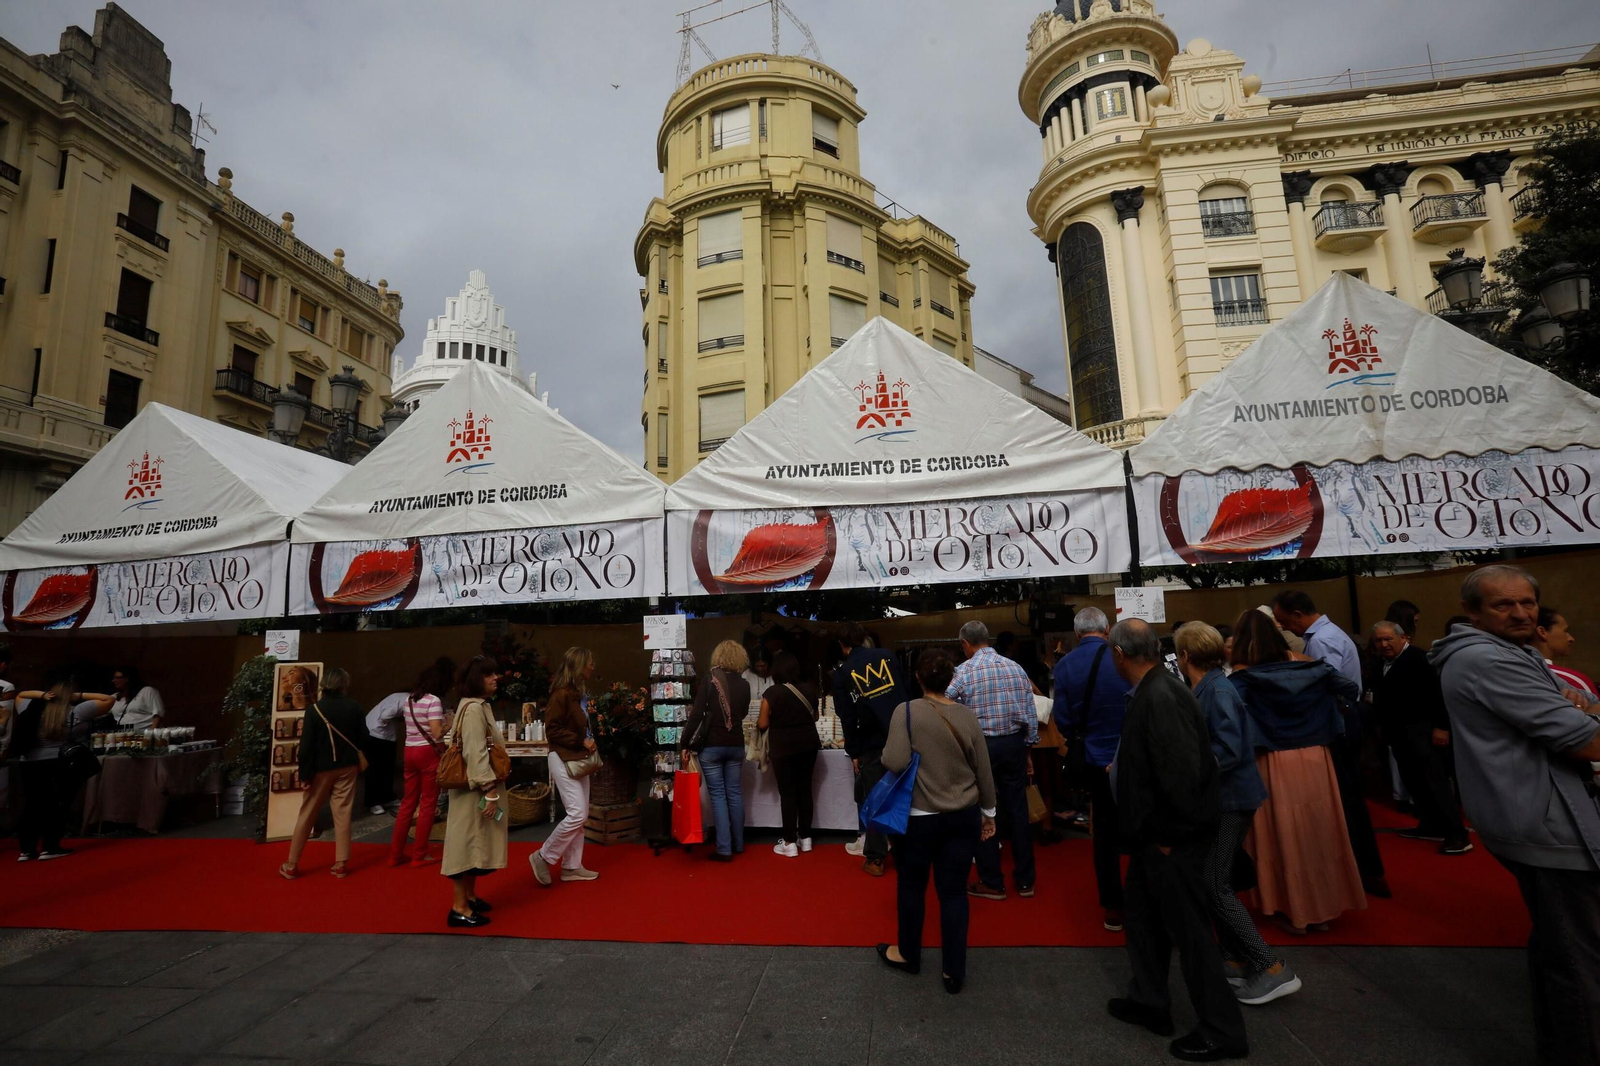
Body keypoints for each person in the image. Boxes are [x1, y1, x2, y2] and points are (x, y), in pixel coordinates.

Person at [1430, 565, 1600, 1066]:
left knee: (1562, 953)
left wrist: (1582, 714)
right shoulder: (1489, 660)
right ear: (1472, 612)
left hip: (1545, 819)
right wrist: (1582, 720)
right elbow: (1585, 738)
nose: (1522, 612)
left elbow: (1582, 710)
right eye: (1504, 605)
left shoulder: (1514, 652)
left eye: (1527, 602)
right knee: (1581, 967)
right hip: (1549, 829)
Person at [1105, 619, 1249, 1062]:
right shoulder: (1157, 689)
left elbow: (1183, 773)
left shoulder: (1160, 696)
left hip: (1171, 839)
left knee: (1191, 936)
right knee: (1143, 920)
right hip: (1155, 836)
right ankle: (1150, 1001)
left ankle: (1223, 1031)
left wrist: (1168, 838)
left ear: (1120, 654)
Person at [1175, 623, 1299, 1007]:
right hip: (1225, 798)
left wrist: (1186, 769)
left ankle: (1271, 967)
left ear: (1185, 656)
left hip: (1230, 799)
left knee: (1215, 884)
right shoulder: (1212, 686)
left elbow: (1227, 751)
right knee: (1215, 880)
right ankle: (1234, 959)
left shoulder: (1218, 690)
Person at [1228, 612, 1366, 933]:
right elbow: (1350, 689)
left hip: (1271, 759)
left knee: (1283, 834)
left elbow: (1229, 716)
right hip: (1317, 756)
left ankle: (1293, 909)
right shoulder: (1309, 663)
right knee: (1319, 831)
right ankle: (1323, 908)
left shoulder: (1242, 676)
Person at [876, 648, 996, 995]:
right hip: (962, 815)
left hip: (918, 818)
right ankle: (953, 971)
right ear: (951, 680)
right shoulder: (967, 716)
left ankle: (909, 954)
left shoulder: (907, 711)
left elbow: (895, 761)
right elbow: (984, 772)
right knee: (955, 892)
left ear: (917, 678)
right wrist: (989, 814)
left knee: (912, 887)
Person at [1271, 590, 1388, 898]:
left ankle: (1363, 871)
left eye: (1284, 622)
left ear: (1298, 614)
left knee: (1347, 798)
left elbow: (1328, 683)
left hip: (1341, 719)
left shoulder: (1321, 640)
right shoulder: (1327, 633)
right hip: (1344, 715)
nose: (1285, 629)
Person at [1053, 607, 1132, 931]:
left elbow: (1063, 719)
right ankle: (1152, 896)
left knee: (1105, 834)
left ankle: (1113, 906)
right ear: (1107, 628)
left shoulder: (1065, 665)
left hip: (1095, 758)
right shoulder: (1124, 657)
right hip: (1132, 754)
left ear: (1076, 634)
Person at [948, 620, 1038, 901]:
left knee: (985, 812)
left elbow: (943, 704)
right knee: (1018, 811)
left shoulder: (963, 671)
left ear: (965, 644)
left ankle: (992, 881)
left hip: (981, 747)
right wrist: (1028, 750)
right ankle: (1025, 881)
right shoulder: (1015, 667)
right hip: (1013, 744)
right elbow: (1030, 710)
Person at [1369, 621, 1470, 855]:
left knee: (1435, 782)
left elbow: (1439, 695)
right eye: (1378, 640)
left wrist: (1441, 728)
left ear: (1403, 638)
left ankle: (1458, 834)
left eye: (1388, 639)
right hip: (1398, 734)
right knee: (1414, 781)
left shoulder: (1420, 660)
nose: (1383, 644)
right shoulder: (1379, 664)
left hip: (1424, 732)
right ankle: (1430, 824)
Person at [833, 622, 912, 875]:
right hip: (903, 735)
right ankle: (908, 853)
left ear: (842, 646)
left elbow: (847, 716)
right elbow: (906, 693)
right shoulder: (888, 656)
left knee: (876, 799)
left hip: (871, 743)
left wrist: (854, 752)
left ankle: (877, 858)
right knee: (905, 795)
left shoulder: (843, 673)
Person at [12, 669, 113, 861]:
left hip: (30, 762)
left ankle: (26, 849)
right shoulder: (77, 711)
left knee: (32, 805)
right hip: (58, 761)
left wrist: (42, 695)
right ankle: (50, 846)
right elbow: (108, 700)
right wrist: (78, 696)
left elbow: (20, 694)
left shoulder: (29, 707)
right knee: (57, 805)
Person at [280, 667, 367, 880]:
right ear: (343, 684)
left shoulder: (314, 710)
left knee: (307, 813)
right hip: (347, 767)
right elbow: (364, 738)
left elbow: (306, 747)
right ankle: (341, 863)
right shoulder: (354, 707)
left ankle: (291, 864)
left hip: (320, 769)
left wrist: (305, 776)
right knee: (343, 813)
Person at [441, 655, 509, 928]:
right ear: (474, 680)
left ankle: (469, 897)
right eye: (488, 674)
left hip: (476, 789)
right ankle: (459, 907)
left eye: (495, 673)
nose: (495, 678)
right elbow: (474, 752)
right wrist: (489, 789)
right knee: (466, 844)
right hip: (476, 791)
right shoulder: (473, 709)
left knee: (475, 841)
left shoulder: (474, 706)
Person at [532, 647, 603, 884]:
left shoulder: (576, 695)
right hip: (564, 757)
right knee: (578, 813)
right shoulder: (562, 695)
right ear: (579, 666)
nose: (593, 666)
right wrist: (580, 739)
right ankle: (543, 856)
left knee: (579, 815)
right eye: (589, 662)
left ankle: (572, 866)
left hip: (575, 758)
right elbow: (551, 730)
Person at [682, 640, 752, 862]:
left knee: (719, 796)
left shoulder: (710, 681)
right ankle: (739, 843)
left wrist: (685, 743)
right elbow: (742, 713)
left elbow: (696, 715)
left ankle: (724, 848)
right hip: (736, 745)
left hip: (712, 746)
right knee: (734, 792)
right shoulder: (745, 685)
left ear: (718, 657)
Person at [390, 658, 454, 867]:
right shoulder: (433, 701)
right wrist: (449, 723)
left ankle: (396, 854)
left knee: (408, 803)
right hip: (429, 753)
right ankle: (420, 853)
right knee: (428, 803)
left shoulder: (409, 700)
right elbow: (437, 732)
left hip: (409, 750)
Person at [760, 651, 821, 856]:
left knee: (788, 793)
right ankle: (806, 838)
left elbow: (762, 723)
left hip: (783, 747)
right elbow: (815, 717)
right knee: (805, 790)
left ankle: (789, 842)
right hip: (809, 745)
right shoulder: (809, 690)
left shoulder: (772, 693)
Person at [1534, 607, 1598, 703]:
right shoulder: (1573, 680)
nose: (1571, 638)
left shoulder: (1515, 670)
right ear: (1542, 632)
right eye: (1566, 631)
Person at [361, 686, 403, 816]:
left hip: (385, 735)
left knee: (388, 767)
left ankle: (387, 797)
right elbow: (386, 715)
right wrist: (401, 717)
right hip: (376, 733)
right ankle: (373, 802)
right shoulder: (408, 700)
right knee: (375, 769)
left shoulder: (401, 696)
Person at [108, 666, 163, 732]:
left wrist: (150, 734)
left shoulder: (147, 691)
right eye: (114, 678)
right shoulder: (114, 697)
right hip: (122, 737)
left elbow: (158, 714)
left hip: (144, 737)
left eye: (117, 678)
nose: (114, 680)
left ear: (127, 678)